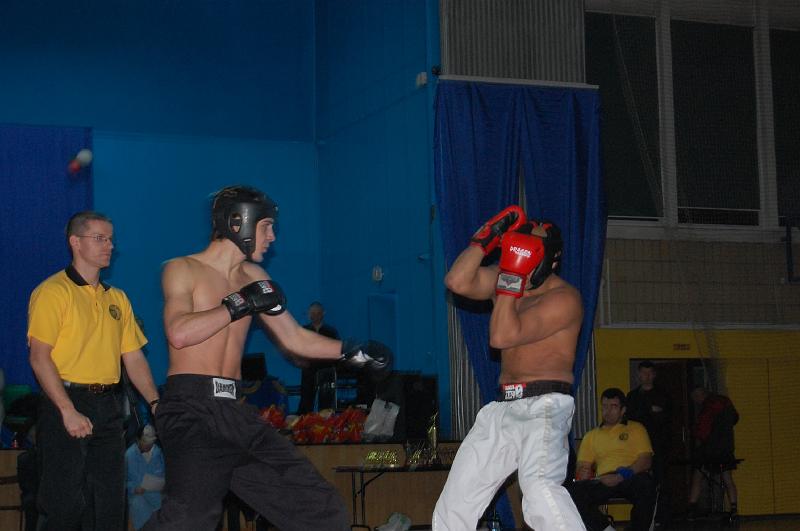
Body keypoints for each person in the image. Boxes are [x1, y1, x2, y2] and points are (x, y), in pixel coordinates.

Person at [143, 185, 392, 530]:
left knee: (321, 510)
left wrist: (353, 351)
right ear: (238, 222)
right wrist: (239, 303)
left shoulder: (256, 277)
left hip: (234, 411)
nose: (272, 237)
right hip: (191, 410)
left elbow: (294, 338)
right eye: (266, 227)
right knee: (189, 520)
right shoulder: (182, 268)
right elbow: (179, 333)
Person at [432, 206, 586, 531]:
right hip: (503, 407)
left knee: (539, 490)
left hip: (545, 406)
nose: (522, 257)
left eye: (530, 251)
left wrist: (511, 280)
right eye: (519, 247)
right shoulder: (508, 280)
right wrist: (485, 239)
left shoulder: (565, 299)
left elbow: (501, 336)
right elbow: (456, 281)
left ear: (550, 260)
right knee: (456, 499)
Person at [27, 210, 160, 531]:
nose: (109, 246)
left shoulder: (118, 298)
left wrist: (156, 403)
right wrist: (67, 410)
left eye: (111, 239)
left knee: (109, 503)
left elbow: (134, 358)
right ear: (75, 242)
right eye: (100, 238)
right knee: (64, 503)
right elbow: (40, 358)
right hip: (65, 401)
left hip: (108, 407)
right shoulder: (53, 292)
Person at [568, 388, 658, 531]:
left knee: (646, 485)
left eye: (613, 406)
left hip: (630, 475)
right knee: (573, 494)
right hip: (603, 479)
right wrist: (583, 473)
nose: (608, 411)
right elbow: (582, 466)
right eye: (604, 406)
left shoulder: (636, 429)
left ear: (623, 410)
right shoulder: (591, 436)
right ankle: (606, 529)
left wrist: (622, 475)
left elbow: (646, 460)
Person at [625, 360, 672, 524]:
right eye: (644, 373)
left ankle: (661, 518)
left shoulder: (663, 395)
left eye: (650, 373)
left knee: (661, 481)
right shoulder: (632, 397)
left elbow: (669, 419)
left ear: (654, 375)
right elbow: (628, 420)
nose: (647, 376)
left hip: (658, 445)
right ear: (638, 375)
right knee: (638, 481)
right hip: (636, 448)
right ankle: (639, 518)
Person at [687, 386, 739, 522]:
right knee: (727, 478)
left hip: (709, 449)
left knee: (698, 475)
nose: (695, 401)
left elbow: (702, 432)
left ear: (700, 395)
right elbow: (735, 418)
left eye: (695, 397)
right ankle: (734, 509)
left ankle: (692, 509)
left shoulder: (707, 407)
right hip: (726, 447)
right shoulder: (725, 401)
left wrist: (695, 435)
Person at [297, 301, 340, 414]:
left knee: (326, 401)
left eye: (317, 313)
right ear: (309, 314)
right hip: (308, 371)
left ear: (323, 313)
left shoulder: (331, 332)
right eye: (312, 313)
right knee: (306, 401)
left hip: (326, 370)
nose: (315, 316)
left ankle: (325, 423)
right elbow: (298, 349)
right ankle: (304, 421)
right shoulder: (304, 331)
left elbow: (336, 352)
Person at [126, 424, 165, 530]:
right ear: (138, 440)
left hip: (156, 495)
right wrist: (134, 488)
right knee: (137, 504)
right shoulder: (129, 455)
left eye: (151, 443)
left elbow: (163, 475)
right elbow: (123, 483)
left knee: (165, 507)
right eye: (145, 442)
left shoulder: (158, 453)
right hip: (137, 496)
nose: (148, 446)